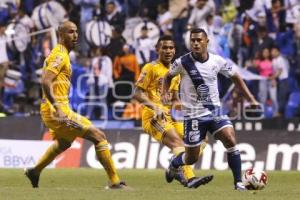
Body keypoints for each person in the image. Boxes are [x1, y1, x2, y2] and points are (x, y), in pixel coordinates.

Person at [24, 21, 129, 190]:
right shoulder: (60, 55)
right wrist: (57, 106)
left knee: (64, 143)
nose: (75, 35)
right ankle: (115, 181)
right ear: (61, 34)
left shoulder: (62, 54)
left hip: (52, 109)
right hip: (56, 111)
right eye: (71, 32)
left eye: (76, 32)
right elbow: (45, 81)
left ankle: (34, 171)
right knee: (98, 136)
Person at [162, 28, 259, 190]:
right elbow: (167, 76)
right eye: (193, 40)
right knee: (191, 158)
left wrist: (251, 99)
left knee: (230, 139)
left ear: (207, 42)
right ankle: (174, 163)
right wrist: (165, 92)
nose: (195, 43)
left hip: (215, 112)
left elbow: (236, 77)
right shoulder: (182, 62)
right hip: (193, 116)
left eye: (199, 40)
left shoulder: (217, 61)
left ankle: (238, 183)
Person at [134, 35, 213, 188]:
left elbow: (174, 100)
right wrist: (155, 107)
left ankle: (174, 166)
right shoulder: (150, 68)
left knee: (201, 139)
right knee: (178, 143)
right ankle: (190, 178)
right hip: (153, 116)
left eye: (171, 48)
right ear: (157, 49)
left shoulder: (175, 72)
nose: (168, 51)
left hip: (170, 117)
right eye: (164, 47)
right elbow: (137, 93)